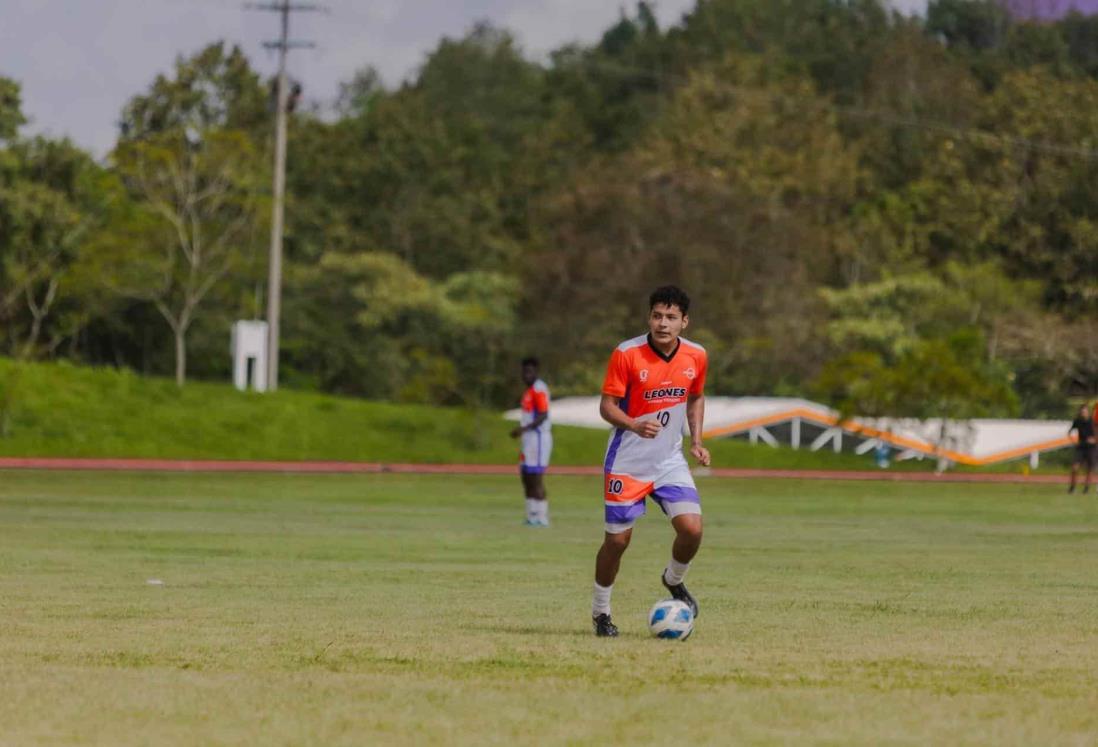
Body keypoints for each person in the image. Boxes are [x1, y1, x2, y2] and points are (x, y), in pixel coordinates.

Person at [590, 285, 711, 637]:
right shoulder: (627, 354)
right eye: (657, 316)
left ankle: (673, 581)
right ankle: (601, 613)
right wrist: (633, 423)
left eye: (671, 317)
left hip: (669, 461)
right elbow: (607, 407)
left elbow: (696, 397)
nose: (663, 323)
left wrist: (697, 441)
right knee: (617, 543)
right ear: (649, 318)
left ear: (684, 322)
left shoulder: (696, 356)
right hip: (627, 463)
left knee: (692, 529)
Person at [510, 357, 552, 526]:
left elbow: (543, 415)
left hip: (538, 438)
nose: (526, 375)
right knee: (526, 476)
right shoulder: (528, 391)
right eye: (524, 372)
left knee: (535, 477)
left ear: (536, 372)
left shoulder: (539, 389)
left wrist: (522, 429)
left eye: (529, 372)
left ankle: (541, 516)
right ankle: (531, 515)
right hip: (528, 439)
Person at [1068, 404, 1095, 494]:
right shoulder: (1077, 421)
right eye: (1081, 412)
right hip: (1081, 447)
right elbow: (1070, 432)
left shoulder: (1093, 421)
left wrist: (1094, 440)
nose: (1083, 413)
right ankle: (1072, 487)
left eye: (1084, 411)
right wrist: (1074, 441)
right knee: (1074, 467)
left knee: (1089, 468)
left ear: (1088, 412)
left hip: (1091, 448)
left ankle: (1086, 488)